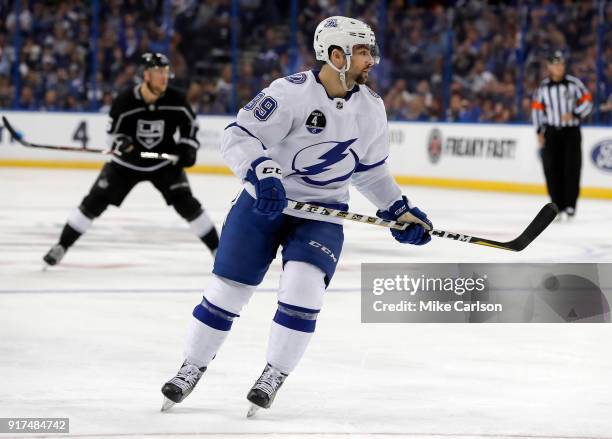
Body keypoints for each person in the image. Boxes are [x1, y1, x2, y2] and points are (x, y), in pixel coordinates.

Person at [160, 16, 433, 416]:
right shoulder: (289, 94)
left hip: (321, 213)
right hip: (262, 203)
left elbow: (370, 170)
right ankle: (192, 365)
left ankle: (274, 372)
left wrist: (398, 208)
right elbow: (238, 135)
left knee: (304, 290)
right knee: (228, 290)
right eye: (362, 51)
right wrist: (264, 173)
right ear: (335, 54)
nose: (371, 59)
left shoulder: (372, 109)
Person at [43, 53, 219, 266]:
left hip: (162, 163)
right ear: (146, 75)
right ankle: (62, 245)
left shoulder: (177, 99)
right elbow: (112, 138)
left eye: (166, 73)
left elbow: (190, 127)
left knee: (187, 205)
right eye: (158, 73)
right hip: (125, 165)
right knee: (93, 203)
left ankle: (218, 250)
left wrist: (187, 148)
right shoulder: (124, 101)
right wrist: (123, 145)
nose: (164, 78)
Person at [531, 50, 593, 220]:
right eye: (555, 64)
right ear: (549, 67)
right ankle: (556, 206)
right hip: (552, 133)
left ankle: (570, 206)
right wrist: (539, 130)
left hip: (571, 132)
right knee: (552, 169)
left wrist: (575, 113)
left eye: (561, 64)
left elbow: (588, 101)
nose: (559, 67)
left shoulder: (574, 84)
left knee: (572, 168)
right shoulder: (543, 88)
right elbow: (537, 110)